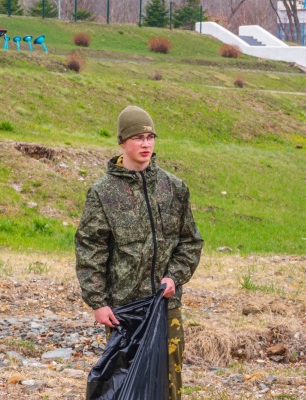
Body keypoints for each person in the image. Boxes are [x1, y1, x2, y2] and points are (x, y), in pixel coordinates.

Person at [75, 105, 204, 400]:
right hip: (123, 310)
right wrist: (97, 302)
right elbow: (90, 249)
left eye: (150, 137)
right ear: (122, 142)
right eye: (137, 138)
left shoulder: (174, 188)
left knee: (168, 383)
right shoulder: (103, 192)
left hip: (165, 305)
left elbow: (190, 242)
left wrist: (174, 277)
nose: (145, 144)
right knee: (123, 385)